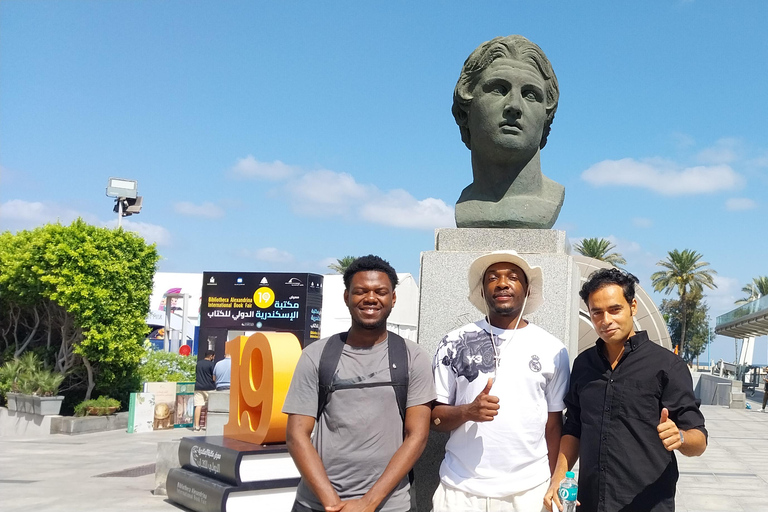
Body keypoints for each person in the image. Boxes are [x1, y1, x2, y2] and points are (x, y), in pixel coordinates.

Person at [545, 268, 708, 512]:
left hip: (648, 504)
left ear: (633, 306)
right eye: (596, 312)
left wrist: (681, 437)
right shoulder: (583, 364)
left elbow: (700, 440)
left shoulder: (667, 366)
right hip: (590, 503)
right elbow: (574, 427)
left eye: (614, 309)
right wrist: (558, 477)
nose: (605, 320)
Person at [283, 255, 436, 512]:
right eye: (361, 291)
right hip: (318, 504)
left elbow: (417, 436)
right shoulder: (317, 355)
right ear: (347, 297)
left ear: (393, 299)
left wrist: (368, 502)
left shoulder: (413, 357)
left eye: (381, 291)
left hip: (389, 506)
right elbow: (296, 434)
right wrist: (332, 503)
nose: (371, 298)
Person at [431, 250, 570, 511]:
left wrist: (554, 483)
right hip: (460, 489)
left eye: (513, 277)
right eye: (492, 277)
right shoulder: (453, 342)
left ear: (527, 290)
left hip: (529, 490)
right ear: (482, 291)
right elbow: (433, 417)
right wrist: (467, 411)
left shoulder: (553, 349)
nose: (502, 283)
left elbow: (553, 424)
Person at [452, 35, 564, 229]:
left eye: (530, 94)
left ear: (547, 119)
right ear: (465, 111)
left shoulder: (550, 201)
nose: (514, 105)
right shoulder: (465, 205)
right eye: (499, 89)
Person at [193, 350, 215, 431]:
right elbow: (214, 377)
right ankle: (206, 425)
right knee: (209, 407)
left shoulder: (198, 363)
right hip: (209, 387)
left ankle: (196, 426)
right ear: (211, 356)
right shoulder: (212, 364)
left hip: (198, 387)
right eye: (213, 356)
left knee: (198, 406)